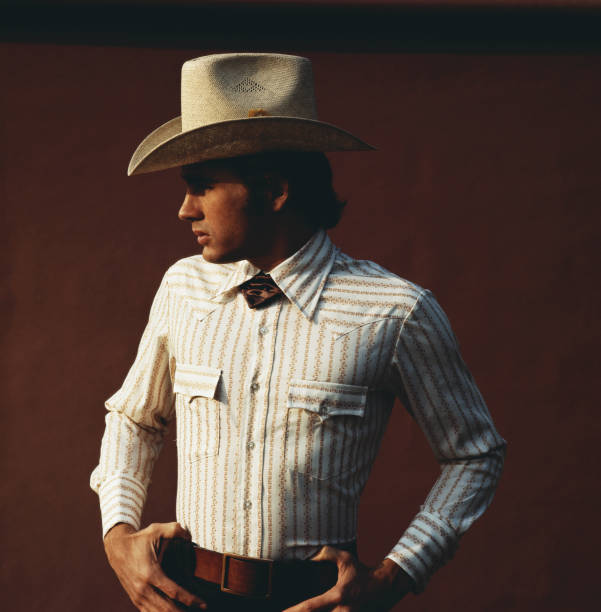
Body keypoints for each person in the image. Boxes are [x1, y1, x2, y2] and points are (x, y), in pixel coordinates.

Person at [91, 52, 506, 612]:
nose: (185, 210)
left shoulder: (395, 310)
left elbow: (476, 455)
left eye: (203, 185)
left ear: (275, 190)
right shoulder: (182, 288)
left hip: (314, 602)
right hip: (187, 597)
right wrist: (118, 535)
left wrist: (393, 577)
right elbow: (134, 419)